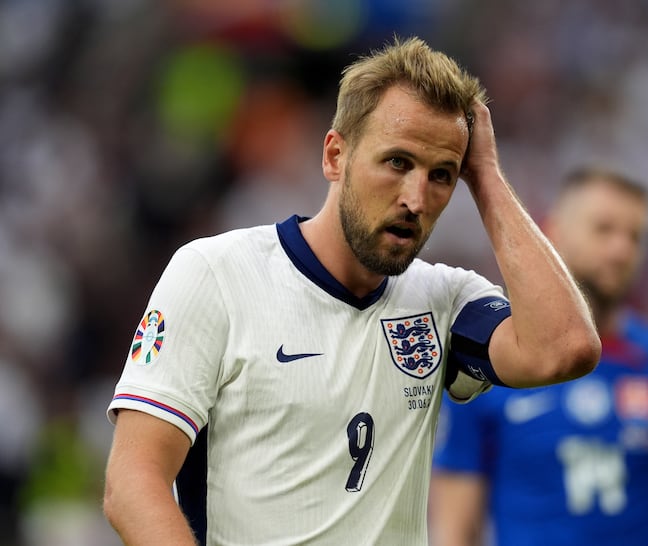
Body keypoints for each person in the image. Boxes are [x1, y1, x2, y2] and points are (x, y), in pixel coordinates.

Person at [102, 36, 601, 545]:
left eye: (442, 176)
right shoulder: (215, 273)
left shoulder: (446, 302)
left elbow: (566, 348)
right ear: (336, 156)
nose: (416, 198)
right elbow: (133, 482)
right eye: (398, 163)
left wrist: (488, 176)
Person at [430, 167, 648, 546]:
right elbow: (454, 530)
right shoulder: (488, 365)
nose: (622, 249)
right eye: (604, 230)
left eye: (635, 236)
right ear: (552, 233)